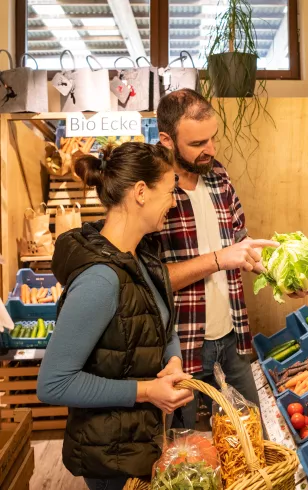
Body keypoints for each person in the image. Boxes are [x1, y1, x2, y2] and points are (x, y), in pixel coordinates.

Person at [155, 89, 308, 429]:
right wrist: (218, 258)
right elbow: (151, 280)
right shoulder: (153, 190)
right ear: (167, 140)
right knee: (194, 451)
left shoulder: (218, 175)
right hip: (181, 348)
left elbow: (240, 243)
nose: (210, 150)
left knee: (252, 434)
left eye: (213, 138)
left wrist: (284, 277)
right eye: (198, 143)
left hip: (232, 337)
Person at [37, 142, 194, 490]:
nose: (173, 201)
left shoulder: (139, 257)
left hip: (141, 443)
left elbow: (161, 323)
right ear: (141, 192)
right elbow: (53, 383)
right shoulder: (100, 280)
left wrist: (173, 360)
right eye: (170, 191)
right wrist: (147, 391)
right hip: (111, 461)